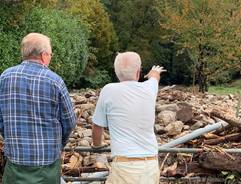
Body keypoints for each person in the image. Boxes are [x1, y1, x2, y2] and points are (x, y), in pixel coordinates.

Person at [0, 33, 76, 184]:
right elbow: (69, 122)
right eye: (50, 54)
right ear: (43, 55)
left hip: (16, 163)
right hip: (47, 166)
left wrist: (10, 136)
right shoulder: (55, 81)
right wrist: (59, 145)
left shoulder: (4, 77)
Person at [92, 51, 166, 184]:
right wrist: (154, 71)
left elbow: (97, 125)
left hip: (124, 166)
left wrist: (97, 147)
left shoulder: (108, 90)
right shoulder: (149, 88)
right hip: (150, 164)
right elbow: (155, 77)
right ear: (138, 72)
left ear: (116, 73)